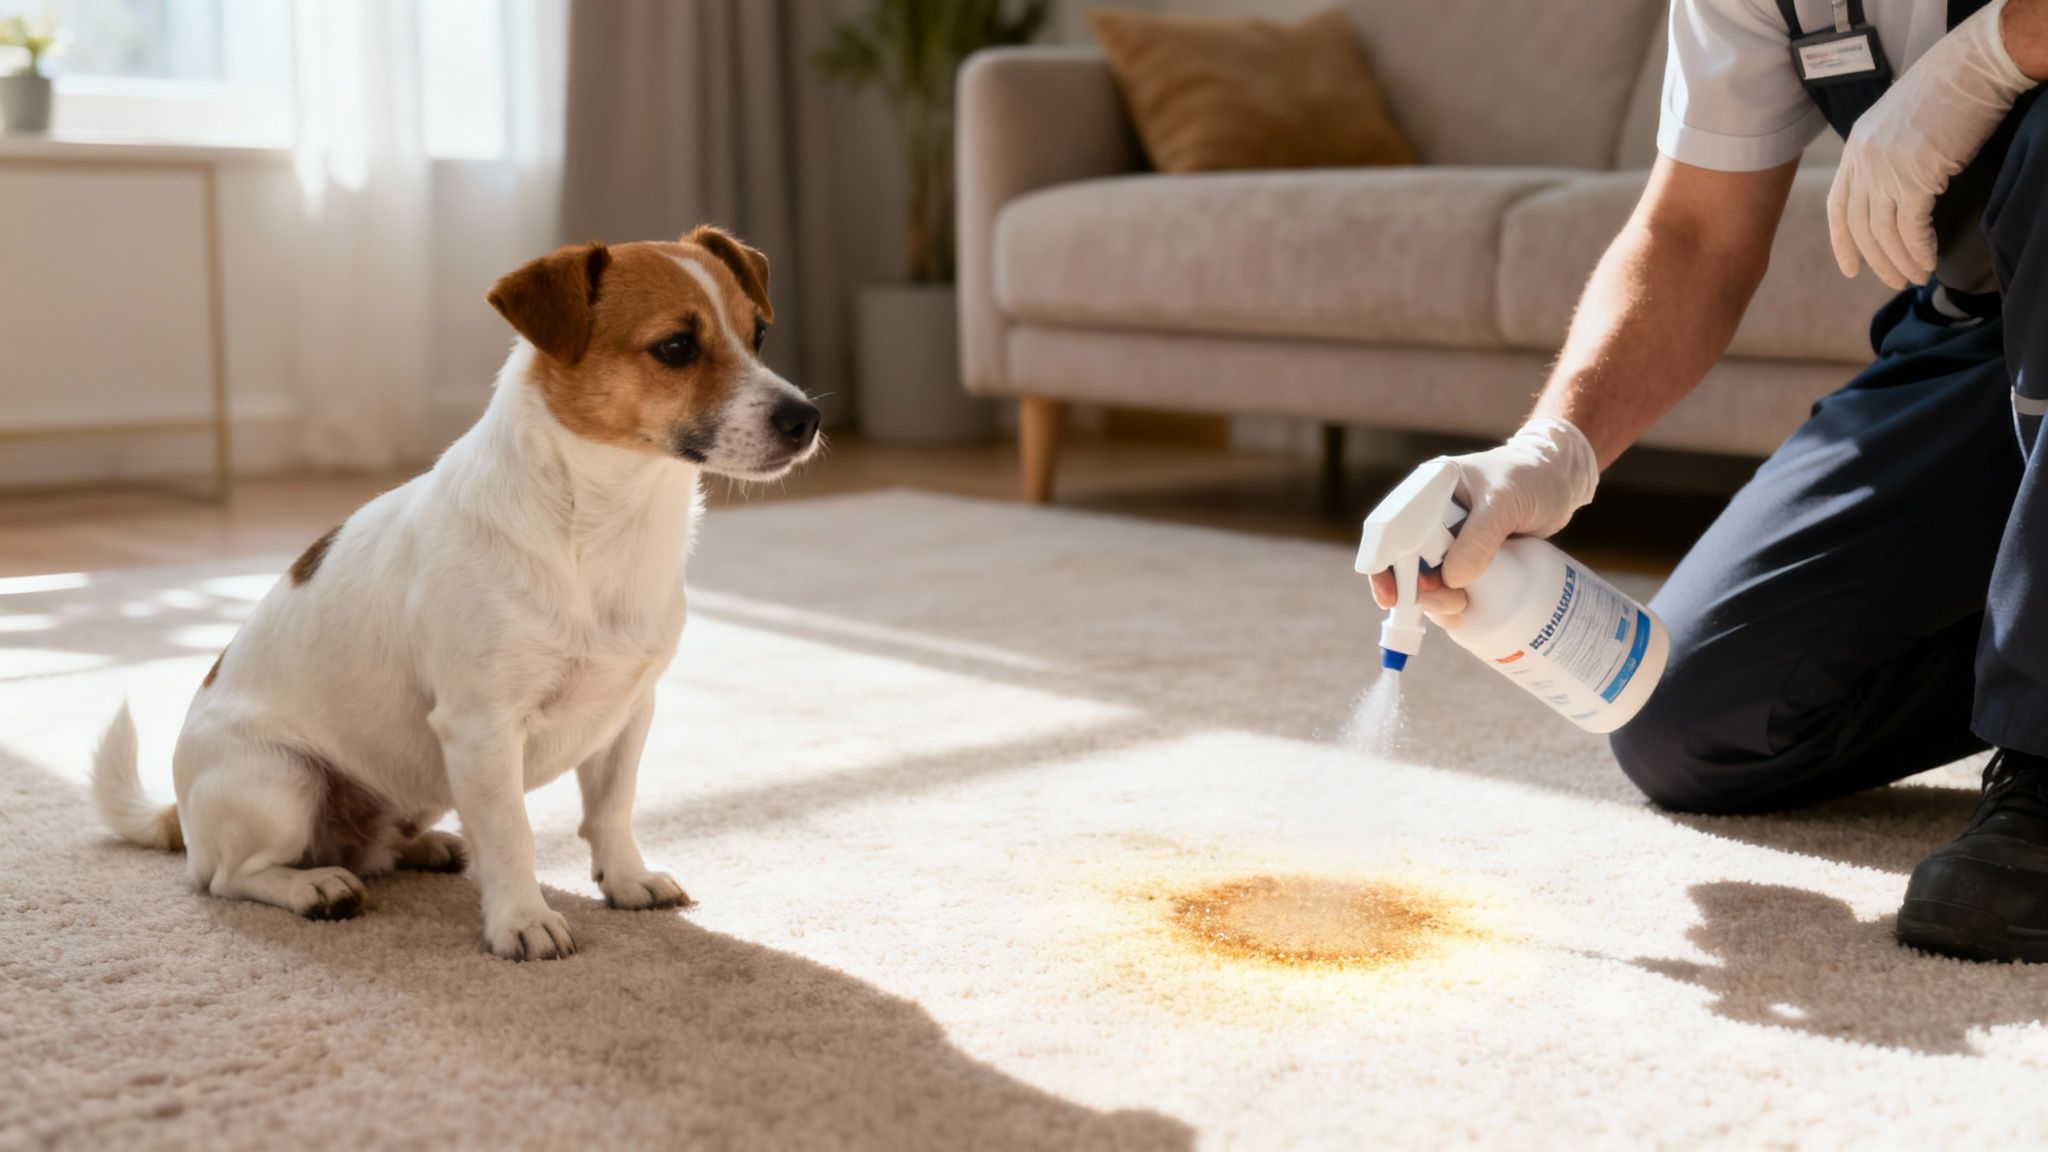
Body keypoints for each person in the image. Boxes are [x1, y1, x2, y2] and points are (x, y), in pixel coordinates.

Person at [1367, 0, 2048, 962]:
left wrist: (2000, 46)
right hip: (1981, 332)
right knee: (1696, 716)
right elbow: (1693, 234)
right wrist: (1550, 451)